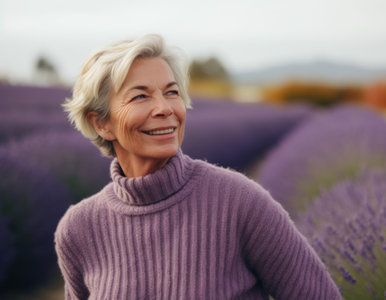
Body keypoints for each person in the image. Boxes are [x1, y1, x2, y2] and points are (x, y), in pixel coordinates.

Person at [55, 34, 341, 300]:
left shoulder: (240, 203)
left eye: (171, 92)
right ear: (100, 123)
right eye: (140, 96)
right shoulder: (79, 230)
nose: (165, 108)